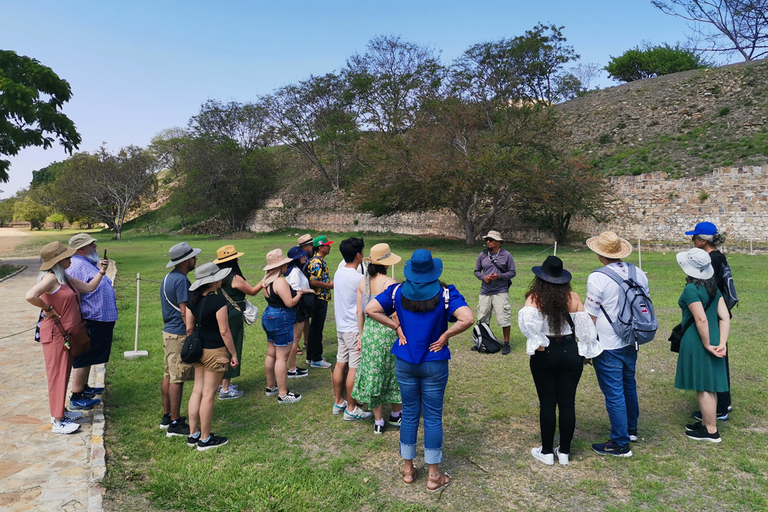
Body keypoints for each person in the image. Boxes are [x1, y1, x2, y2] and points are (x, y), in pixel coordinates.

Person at [365, 249, 474, 492]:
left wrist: (396, 327)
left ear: (411, 270)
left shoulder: (396, 291)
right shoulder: (446, 293)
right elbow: (467, 318)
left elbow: (370, 309)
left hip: (405, 360)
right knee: (433, 416)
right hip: (435, 362)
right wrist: (446, 334)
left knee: (410, 413)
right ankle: (434, 476)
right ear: (433, 271)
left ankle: (407, 470)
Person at [518, 256, 601, 465]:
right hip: (570, 350)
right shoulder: (573, 298)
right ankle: (564, 452)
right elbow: (587, 331)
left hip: (545, 351)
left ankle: (546, 452)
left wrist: (539, 342)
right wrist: (584, 352)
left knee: (547, 403)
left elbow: (527, 325)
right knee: (567, 403)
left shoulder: (534, 298)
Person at [25, 241, 109, 434]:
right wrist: (48, 309)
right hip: (56, 333)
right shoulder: (51, 278)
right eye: (66, 256)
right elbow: (30, 295)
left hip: (67, 333)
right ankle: (57, 420)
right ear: (58, 260)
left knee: (63, 373)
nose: (70, 258)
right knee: (57, 375)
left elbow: (88, 288)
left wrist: (102, 272)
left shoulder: (65, 278)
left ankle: (61, 411)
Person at [585, 231, 650, 458]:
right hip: (631, 338)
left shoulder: (597, 277)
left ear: (599, 252)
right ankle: (630, 429)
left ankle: (620, 443)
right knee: (628, 384)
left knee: (614, 392)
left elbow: (590, 315)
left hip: (607, 342)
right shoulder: (638, 272)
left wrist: (586, 344)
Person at [674, 248, 729, 443]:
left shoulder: (691, 289)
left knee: (703, 386)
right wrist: (721, 342)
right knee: (710, 384)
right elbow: (724, 317)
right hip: (714, 337)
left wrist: (706, 345)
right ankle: (707, 423)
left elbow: (701, 319)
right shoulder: (714, 287)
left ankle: (711, 431)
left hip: (698, 340)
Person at [185, 262, 239, 451]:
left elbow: (189, 328)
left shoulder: (193, 300)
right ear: (214, 281)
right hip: (215, 351)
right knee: (209, 394)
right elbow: (224, 331)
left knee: (197, 391)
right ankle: (205, 439)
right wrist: (233, 353)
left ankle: (193, 434)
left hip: (198, 350)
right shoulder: (218, 302)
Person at [352, 243, 403, 434]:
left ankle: (378, 420)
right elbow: (396, 314)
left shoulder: (361, 282)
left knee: (374, 373)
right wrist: (400, 330)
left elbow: (360, 311)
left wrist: (361, 335)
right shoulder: (390, 283)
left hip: (370, 333)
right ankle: (396, 415)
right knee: (393, 372)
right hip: (388, 331)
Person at [686, 222, 734, 421]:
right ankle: (723, 402)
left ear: (702, 240)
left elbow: (708, 287)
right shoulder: (718, 256)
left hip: (711, 314)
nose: (693, 242)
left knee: (714, 358)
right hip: (717, 312)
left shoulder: (711, 259)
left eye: (694, 238)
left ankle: (720, 407)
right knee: (718, 357)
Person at [65, 233, 118, 408]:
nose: (95, 247)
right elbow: (73, 294)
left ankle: (84, 387)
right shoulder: (77, 266)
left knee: (90, 355)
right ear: (81, 249)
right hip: (91, 318)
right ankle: (77, 395)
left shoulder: (87, 264)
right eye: (91, 245)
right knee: (84, 356)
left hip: (99, 318)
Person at [160, 242, 200, 437]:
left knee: (168, 374)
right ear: (186, 261)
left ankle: (167, 415)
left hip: (168, 332)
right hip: (179, 334)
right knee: (178, 378)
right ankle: (175, 424)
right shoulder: (182, 281)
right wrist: (191, 334)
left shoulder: (168, 277)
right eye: (193, 257)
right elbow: (186, 311)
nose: (196, 260)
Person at [213, 244, 263, 400]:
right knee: (232, 348)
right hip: (233, 316)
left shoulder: (218, 276)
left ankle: (221, 383)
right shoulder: (234, 277)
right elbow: (253, 291)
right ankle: (226, 389)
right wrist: (265, 279)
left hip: (222, 313)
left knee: (224, 348)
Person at [331, 237, 372, 421]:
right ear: (358, 255)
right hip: (354, 328)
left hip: (341, 326)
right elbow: (364, 307)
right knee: (354, 368)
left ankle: (338, 401)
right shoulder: (359, 279)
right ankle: (351, 407)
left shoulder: (339, 273)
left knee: (341, 362)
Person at [262, 249, 304, 404]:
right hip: (282, 317)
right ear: (280, 266)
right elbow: (289, 303)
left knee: (271, 353)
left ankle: (270, 386)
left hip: (269, 315)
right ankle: (283, 393)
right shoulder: (280, 281)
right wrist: (299, 294)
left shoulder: (265, 280)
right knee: (281, 357)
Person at [474, 230, 516, 355]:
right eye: (487, 239)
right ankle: (483, 342)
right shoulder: (482, 255)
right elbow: (476, 271)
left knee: (504, 317)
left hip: (500, 291)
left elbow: (512, 272)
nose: (488, 242)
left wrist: (499, 276)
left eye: (491, 240)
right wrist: (483, 277)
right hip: (485, 290)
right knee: (482, 317)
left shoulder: (506, 255)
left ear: (498, 242)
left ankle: (506, 343)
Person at [284, 246, 313, 378]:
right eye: (302, 255)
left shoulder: (292, 270)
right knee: (295, 339)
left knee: (294, 338)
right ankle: (291, 368)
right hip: (297, 306)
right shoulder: (295, 272)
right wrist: (308, 291)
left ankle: (292, 367)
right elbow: (296, 289)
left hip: (296, 306)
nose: (304, 257)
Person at [306, 235, 334, 369]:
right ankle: (316, 359)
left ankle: (311, 356)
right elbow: (313, 281)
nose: (329, 247)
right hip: (318, 298)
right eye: (327, 245)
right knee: (317, 329)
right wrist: (329, 285)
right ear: (321, 247)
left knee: (314, 329)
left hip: (320, 298)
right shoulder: (316, 262)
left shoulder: (319, 260)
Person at [296, 233, 315, 355]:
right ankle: (296, 344)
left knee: (307, 317)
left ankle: (307, 340)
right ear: (304, 247)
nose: (312, 246)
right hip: (299, 290)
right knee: (298, 318)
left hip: (307, 288)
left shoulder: (311, 256)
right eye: (310, 245)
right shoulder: (298, 258)